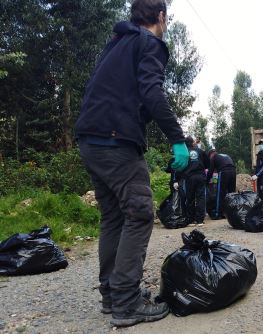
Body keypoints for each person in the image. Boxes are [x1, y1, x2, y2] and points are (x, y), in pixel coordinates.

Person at [74, 0, 189, 327]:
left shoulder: (115, 45)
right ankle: (126, 303)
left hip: (89, 139)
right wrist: (177, 138)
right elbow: (152, 93)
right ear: (161, 17)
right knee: (138, 212)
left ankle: (112, 295)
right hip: (115, 140)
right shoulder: (149, 42)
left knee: (112, 216)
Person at [182, 136, 209, 226]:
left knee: (190, 198)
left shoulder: (184, 153)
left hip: (190, 177)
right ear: (193, 142)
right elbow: (207, 163)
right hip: (200, 176)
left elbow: (181, 166)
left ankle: (191, 220)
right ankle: (200, 220)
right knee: (200, 197)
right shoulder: (200, 151)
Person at [207, 149, 236, 219]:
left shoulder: (213, 157)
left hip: (224, 172)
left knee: (220, 194)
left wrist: (206, 181)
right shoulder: (225, 155)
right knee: (231, 194)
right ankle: (232, 213)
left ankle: (218, 214)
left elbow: (210, 171)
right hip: (233, 171)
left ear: (211, 155)